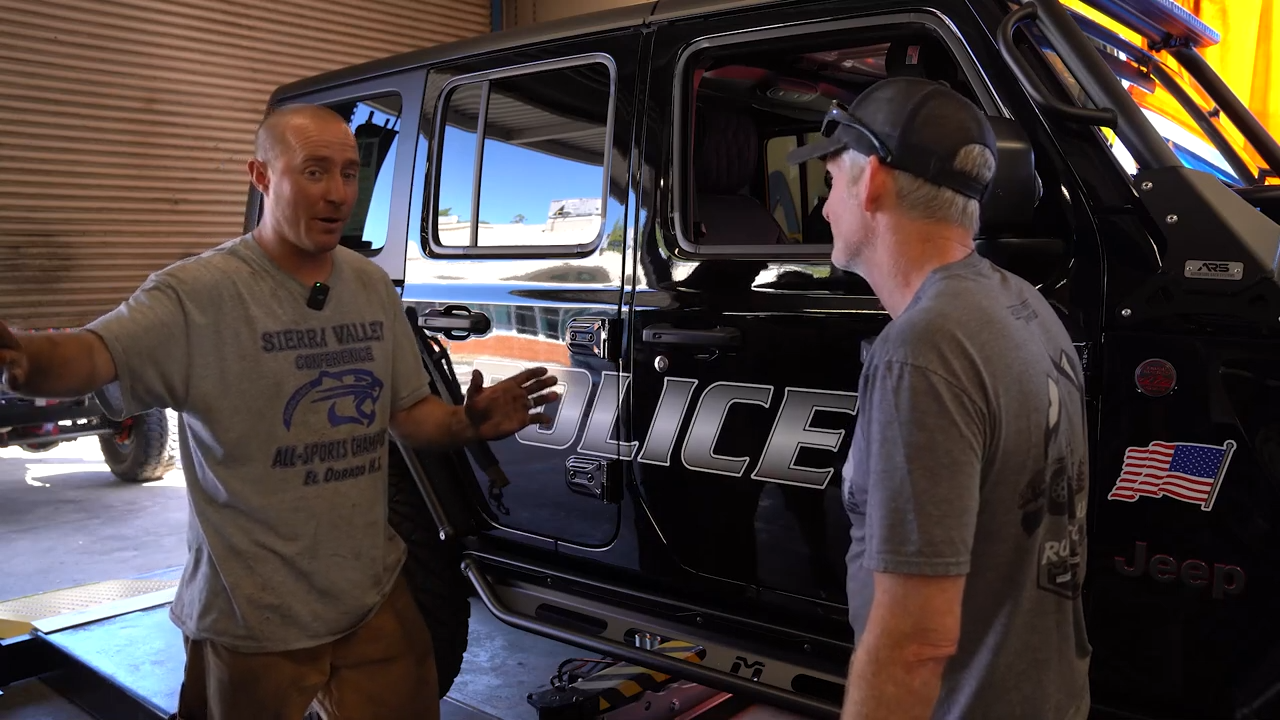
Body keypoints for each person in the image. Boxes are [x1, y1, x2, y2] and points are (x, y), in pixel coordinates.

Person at [0, 103, 560, 720]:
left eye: (350, 173)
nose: (340, 193)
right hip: (252, 614)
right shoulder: (197, 295)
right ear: (261, 176)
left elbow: (409, 415)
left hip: (368, 593)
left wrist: (467, 423)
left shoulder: (368, 286)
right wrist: (23, 358)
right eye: (315, 171)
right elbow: (92, 352)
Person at [786, 77, 1091, 719]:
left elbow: (914, 644)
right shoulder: (1026, 307)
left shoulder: (922, 351)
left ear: (870, 180)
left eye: (833, 182)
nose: (824, 209)